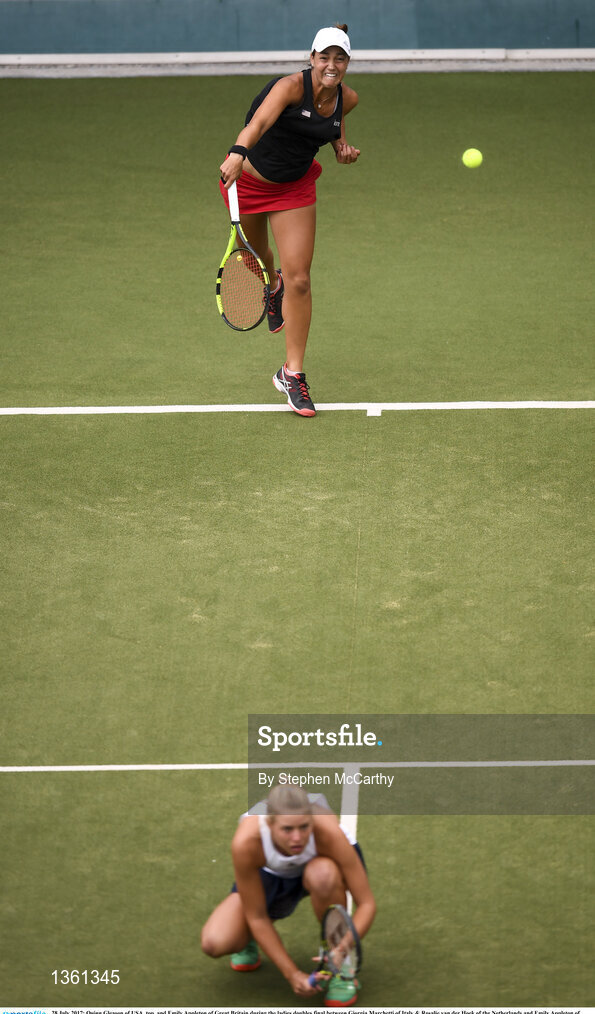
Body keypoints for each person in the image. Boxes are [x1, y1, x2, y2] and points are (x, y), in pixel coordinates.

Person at [219, 25, 360, 418]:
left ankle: (292, 373)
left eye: (340, 58)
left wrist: (341, 149)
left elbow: (331, 129)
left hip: (295, 189)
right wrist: (236, 152)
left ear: (348, 62)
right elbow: (260, 123)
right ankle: (271, 281)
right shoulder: (288, 88)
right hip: (246, 181)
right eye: (324, 57)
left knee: (301, 278)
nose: (331, 65)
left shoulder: (347, 99)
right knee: (253, 257)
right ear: (311, 58)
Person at [201, 785, 376, 1005]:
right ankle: (248, 941)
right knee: (215, 942)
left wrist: (342, 948)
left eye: (304, 827)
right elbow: (257, 917)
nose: (297, 837)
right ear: (269, 823)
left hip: (321, 869)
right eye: (287, 829)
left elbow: (367, 904)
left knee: (323, 875)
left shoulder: (328, 834)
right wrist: (291, 973)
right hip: (272, 875)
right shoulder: (247, 841)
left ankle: (341, 971)